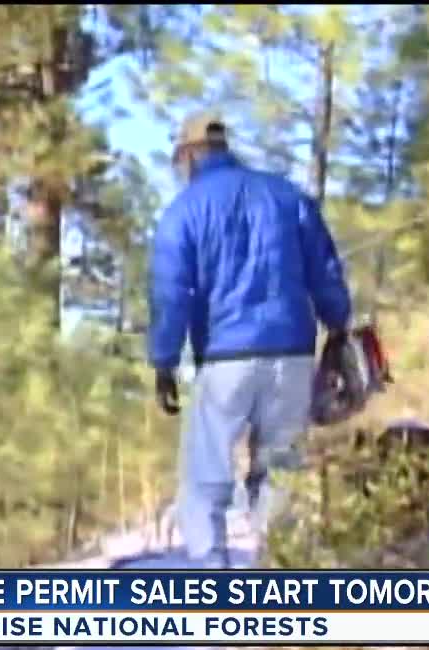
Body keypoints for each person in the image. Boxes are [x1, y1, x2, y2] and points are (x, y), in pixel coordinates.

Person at [147, 113, 353, 568]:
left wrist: (164, 361)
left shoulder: (183, 211)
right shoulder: (287, 196)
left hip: (225, 358)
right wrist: (338, 326)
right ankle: (278, 572)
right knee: (280, 472)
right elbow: (325, 270)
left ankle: (213, 579)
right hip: (292, 355)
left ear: (190, 155)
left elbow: (170, 294)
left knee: (206, 479)